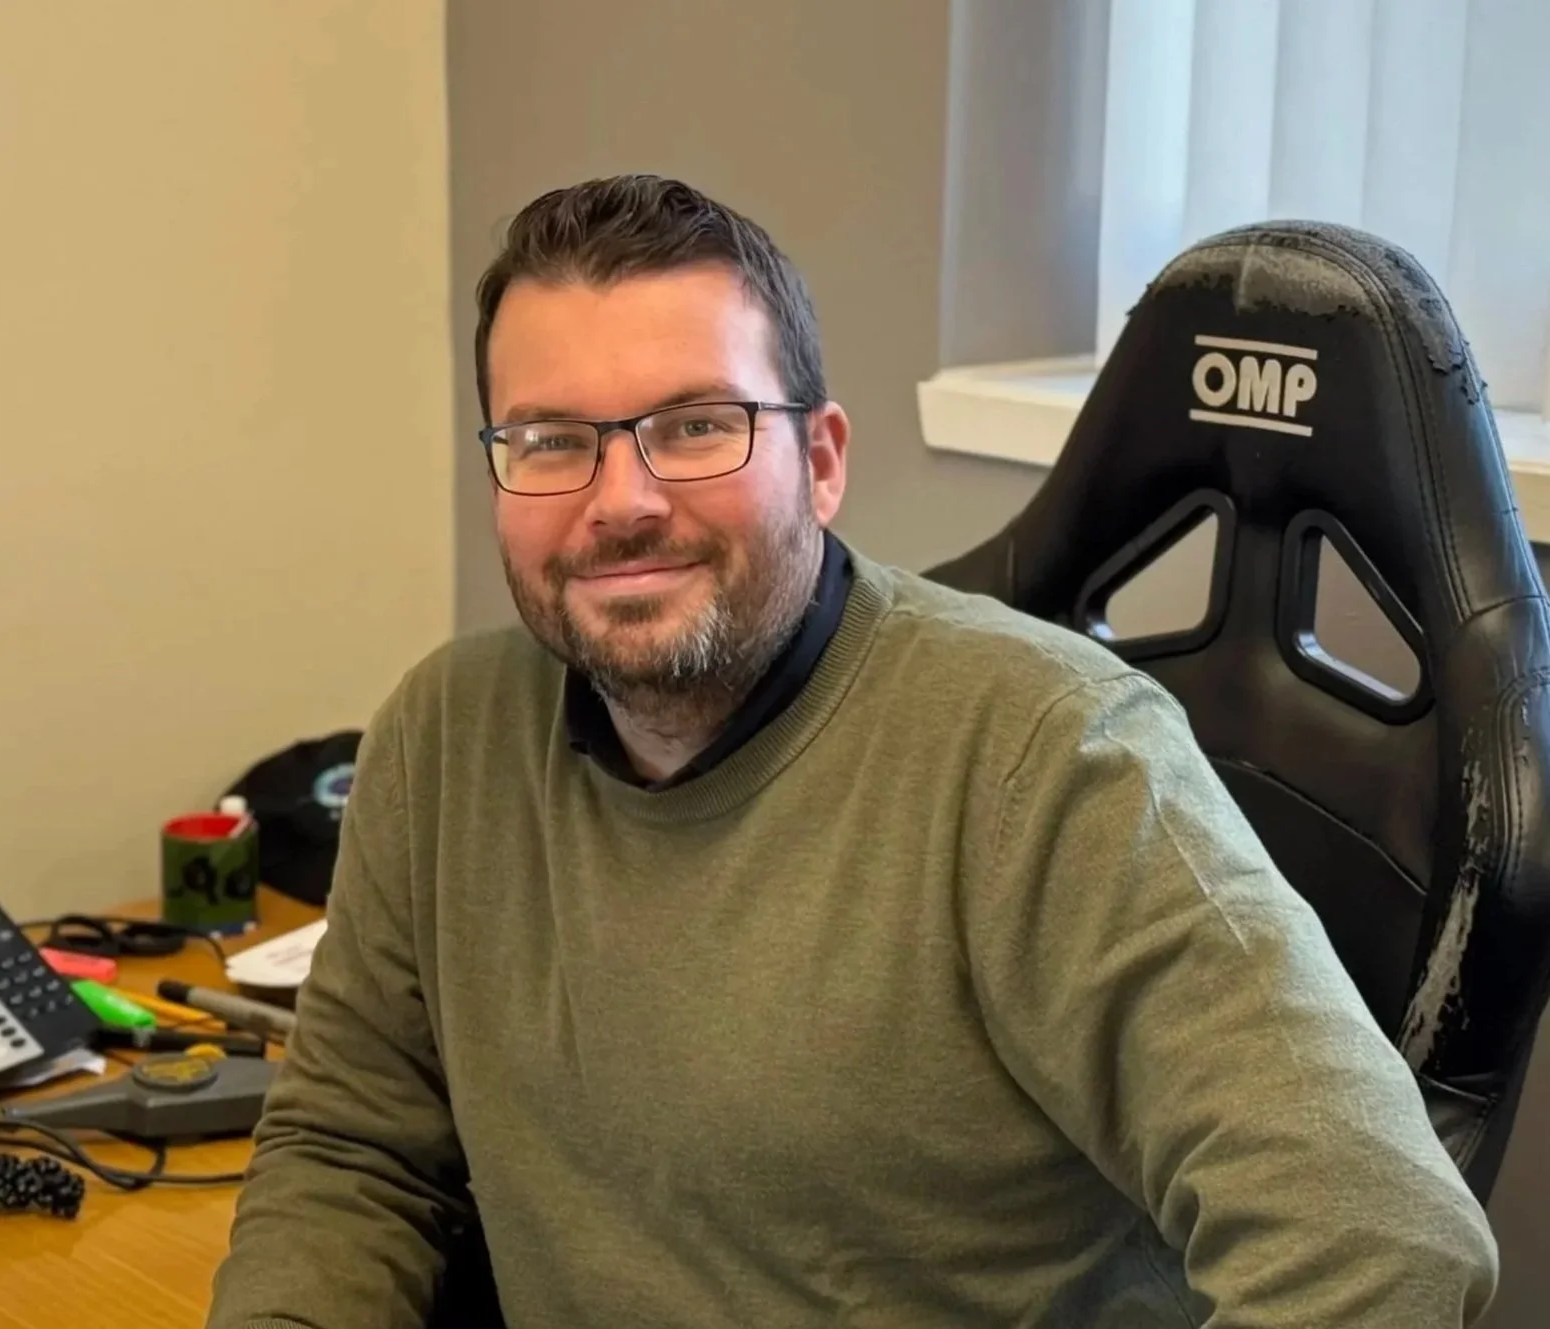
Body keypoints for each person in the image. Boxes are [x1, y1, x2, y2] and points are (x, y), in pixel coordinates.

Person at [205, 174, 1498, 1329]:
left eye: (696, 425)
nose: (623, 502)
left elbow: (1379, 1241)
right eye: (551, 441)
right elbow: (353, 1153)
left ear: (821, 462)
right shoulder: (446, 738)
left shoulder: (1045, 759)